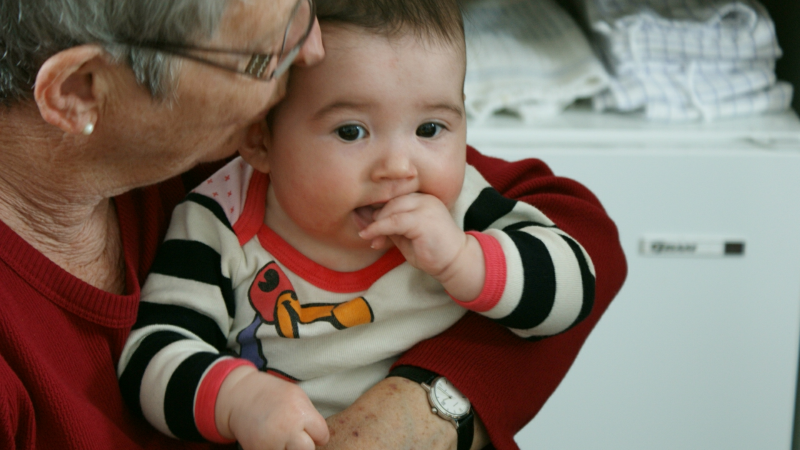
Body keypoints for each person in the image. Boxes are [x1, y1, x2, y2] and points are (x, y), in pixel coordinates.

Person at [0, 0, 627, 449]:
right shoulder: (237, 181)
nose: (314, 50)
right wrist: (238, 399)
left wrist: (463, 277)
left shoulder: (224, 142)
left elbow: (582, 240)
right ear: (81, 89)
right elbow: (158, 354)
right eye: (262, 53)